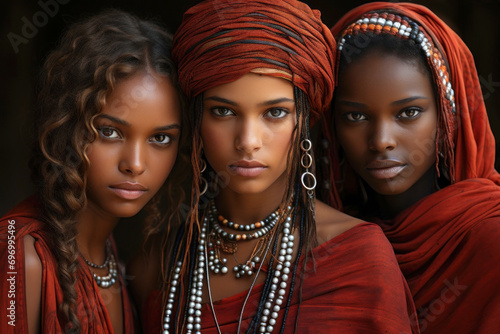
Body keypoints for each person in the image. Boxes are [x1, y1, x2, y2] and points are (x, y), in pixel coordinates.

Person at [133, 0, 419, 333]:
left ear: (305, 120)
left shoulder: (356, 258)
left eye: (275, 113)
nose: (248, 140)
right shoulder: (158, 260)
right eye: (224, 112)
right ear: (196, 120)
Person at [0, 9, 185, 334]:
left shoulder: (112, 258)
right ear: (67, 126)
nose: (136, 164)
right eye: (110, 132)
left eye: (160, 138)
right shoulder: (23, 258)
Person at [320, 2, 500, 333]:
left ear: (448, 115)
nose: (381, 141)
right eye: (355, 116)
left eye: (408, 112)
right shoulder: (326, 243)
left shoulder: (490, 241)